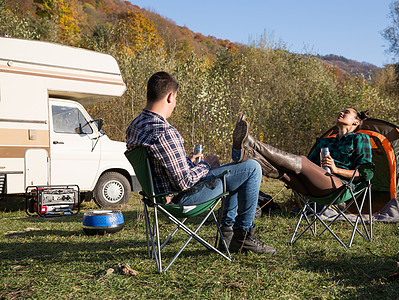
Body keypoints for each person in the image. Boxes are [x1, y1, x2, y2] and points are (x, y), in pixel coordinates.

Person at [126, 71, 276, 255]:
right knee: (252, 168)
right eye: (176, 98)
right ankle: (243, 236)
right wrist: (207, 165)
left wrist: (187, 161)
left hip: (158, 197)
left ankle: (228, 236)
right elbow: (184, 182)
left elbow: (159, 166)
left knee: (236, 172)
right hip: (181, 199)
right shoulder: (165, 132)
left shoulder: (135, 126)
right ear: (170, 97)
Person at [231, 108, 372, 197]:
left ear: (356, 123)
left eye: (346, 112)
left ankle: (252, 143)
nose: (341, 113)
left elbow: (366, 174)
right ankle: (248, 155)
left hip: (339, 188)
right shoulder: (325, 142)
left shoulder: (360, 138)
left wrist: (336, 170)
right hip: (313, 187)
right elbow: (305, 167)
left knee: (302, 161)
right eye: (341, 111)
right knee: (284, 173)